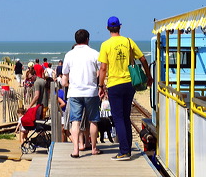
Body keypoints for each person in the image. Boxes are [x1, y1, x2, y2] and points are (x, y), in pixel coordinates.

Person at [98, 16, 153, 161]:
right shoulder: (128, 41)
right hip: (129, 84)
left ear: (107, 28)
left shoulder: (105, 45)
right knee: (125, 116)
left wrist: (100, 85)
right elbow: (142, 59)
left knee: (118, 118)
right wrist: (149, 76)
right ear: (120, 27)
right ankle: (126, 148)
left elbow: (103, 68)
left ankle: (124, 151)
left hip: (115, 85)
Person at [61, 28, 101, 158]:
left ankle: (76, 150)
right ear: (88, 39)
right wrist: (101, 85)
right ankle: (94, 148)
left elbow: (64, 77)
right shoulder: (94, 53)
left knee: (75, 122)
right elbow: (101, 70)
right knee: (93, 120)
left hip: (75, 92)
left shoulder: (69, 55)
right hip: (91, 92)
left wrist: (66, 83)